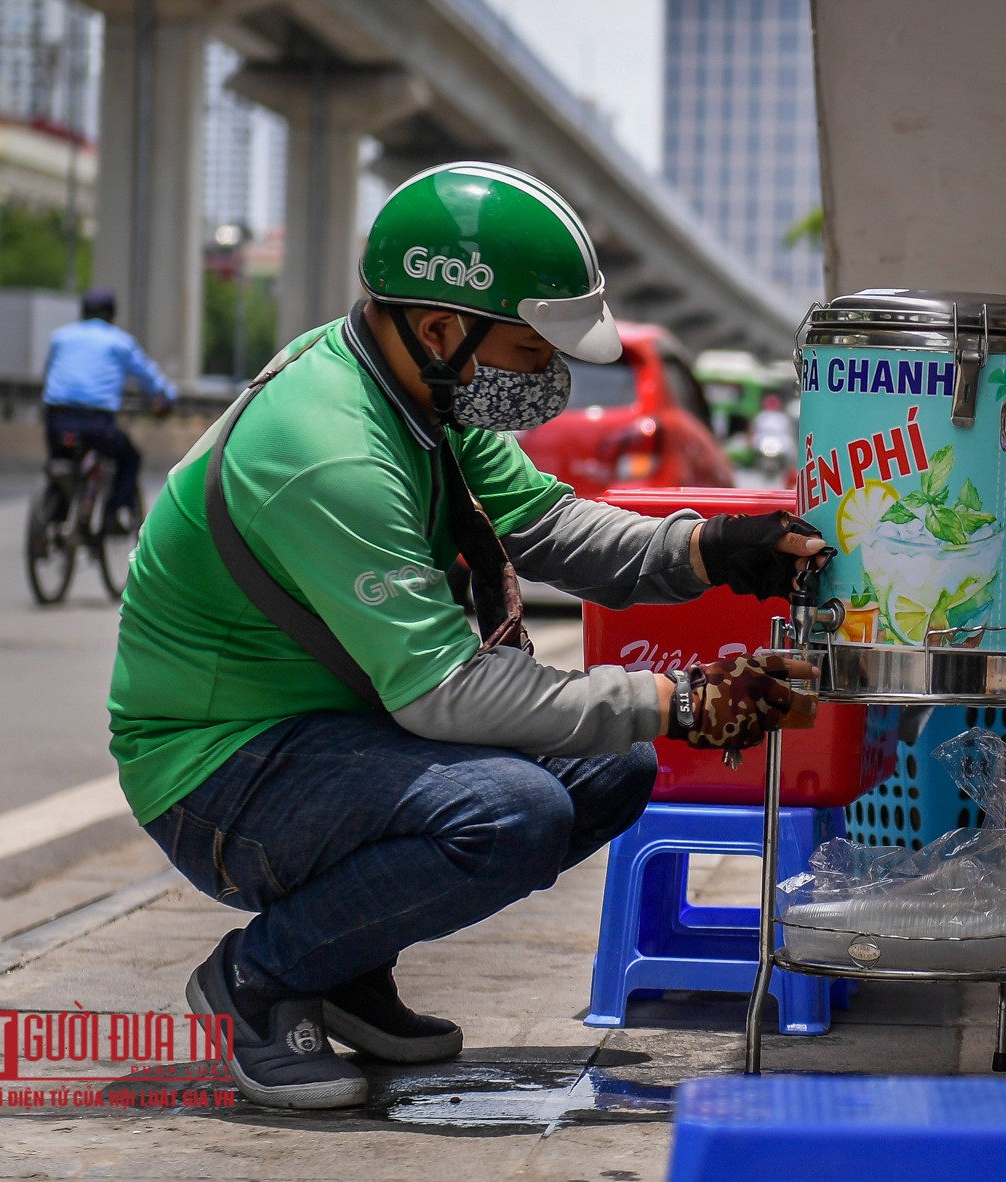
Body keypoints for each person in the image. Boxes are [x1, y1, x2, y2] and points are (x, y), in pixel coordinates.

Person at [108, 162, 826, 1111]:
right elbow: (447, 691)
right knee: (510, 811)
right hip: (219, 769)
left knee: (613, 771)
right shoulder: (332, 450)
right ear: (443, 327)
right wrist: (681, 701)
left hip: (334, 730)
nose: (551, 376)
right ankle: (256, 983)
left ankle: (346, 967)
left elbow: (548, 528)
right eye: (534, 348)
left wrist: (707, 547)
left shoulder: (426, 391)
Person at [41, 287, 177, 532]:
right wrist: (166, 398)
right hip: (97, 422)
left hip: (57, 417)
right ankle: (114, 513)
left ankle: (54, 515)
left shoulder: (60, 337)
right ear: (112, 314)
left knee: (61, 459)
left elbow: (49, 373)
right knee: (130, 458)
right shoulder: (119, 342)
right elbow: (149, 377)